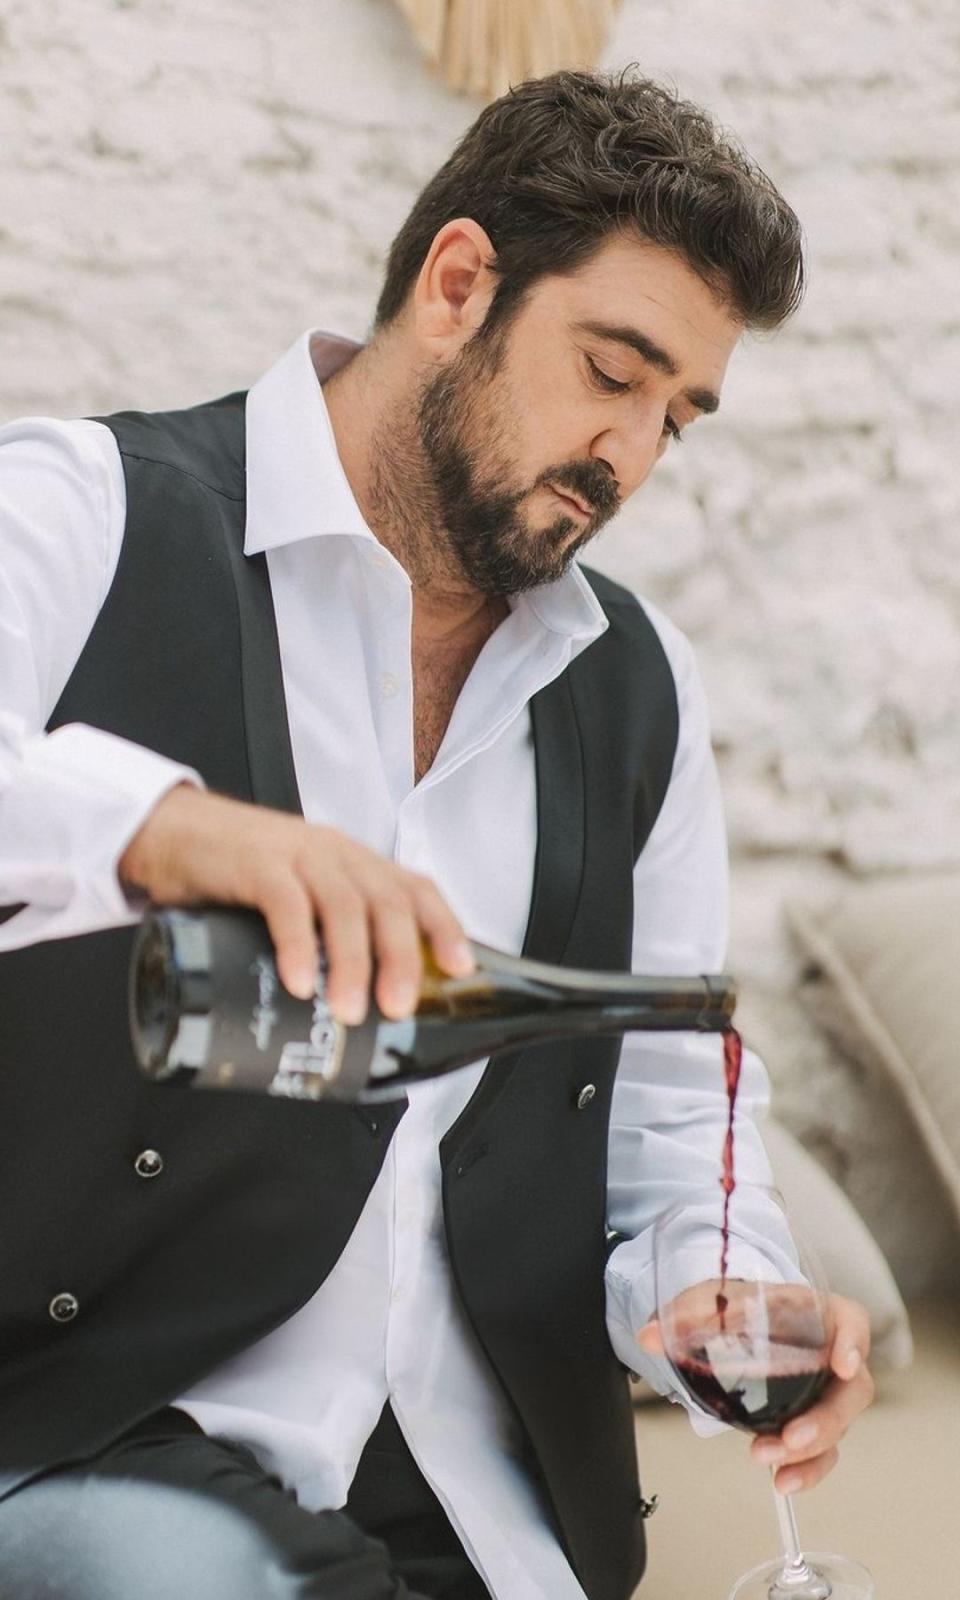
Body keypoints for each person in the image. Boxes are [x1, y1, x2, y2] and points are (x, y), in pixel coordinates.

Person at [0, 69, 873, 1600]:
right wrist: (170, 831)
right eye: (613, 371)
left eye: (680, 416)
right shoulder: (83, 511)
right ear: (460, 283)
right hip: (93, 1444)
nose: (632, 458)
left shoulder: (634, 687)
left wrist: (714, 1289)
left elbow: (676, 1125)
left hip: (485, 1516)